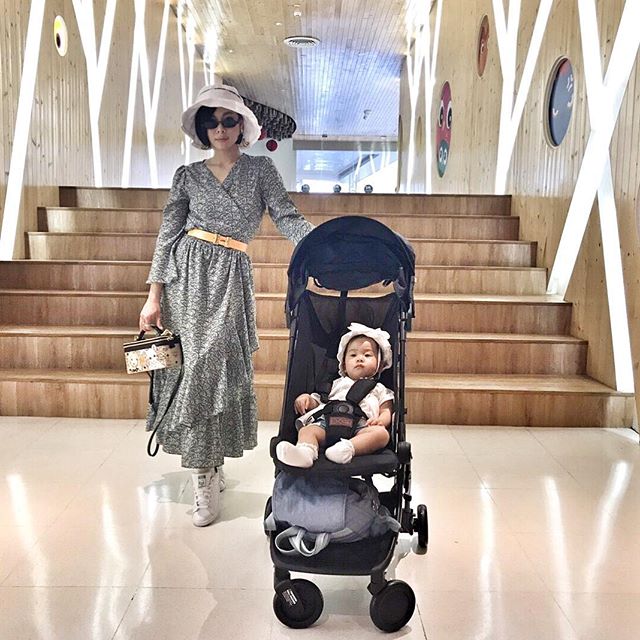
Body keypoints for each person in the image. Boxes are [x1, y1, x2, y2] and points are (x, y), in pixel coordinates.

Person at [139, 83, 314, 527]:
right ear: (202, 129)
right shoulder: (187, 176)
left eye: (228, 120)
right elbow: (167, 234)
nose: (219, 128)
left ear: (242, 126)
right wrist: (153, 295)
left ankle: (211, 461)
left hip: (231, 275)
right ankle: (203, 474)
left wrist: (320, 246)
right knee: (193, 369)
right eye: (211, 121)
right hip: (187, 274)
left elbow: (286, 214)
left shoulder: (260, 170)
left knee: (218, 370)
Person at [276, 323, 394, 468]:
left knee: (381, 434)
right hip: (326, 423)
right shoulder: (335, 384)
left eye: (367, 355)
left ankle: (346, 449)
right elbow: (320, 400)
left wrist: (381, 420)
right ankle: (305, 453)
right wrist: (307, 399)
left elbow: (386, 410)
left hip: (361, 427)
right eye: (353, 355)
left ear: (380, 365)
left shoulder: (379, 389)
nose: (360, 358)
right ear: (344, 365)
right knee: (308, 431)